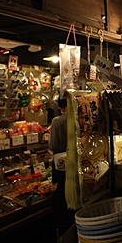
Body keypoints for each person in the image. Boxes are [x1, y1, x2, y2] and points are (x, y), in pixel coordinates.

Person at [48, 95, 74, 234]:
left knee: (61, 191)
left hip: (61, 162)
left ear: (60, 107)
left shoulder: (57, 121)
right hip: (74, 160)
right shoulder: (77, 118)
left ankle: (60, 225)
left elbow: (53, 145)